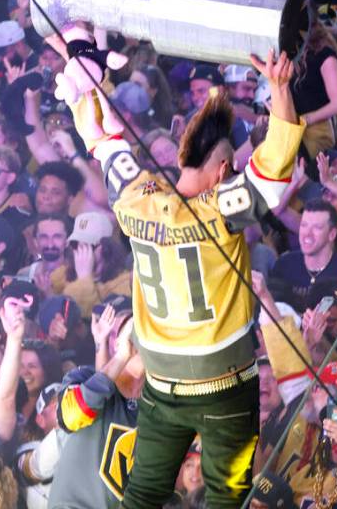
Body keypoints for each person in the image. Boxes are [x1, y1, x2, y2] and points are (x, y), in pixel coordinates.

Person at [63, 35, 302, 508]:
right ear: (223, 168)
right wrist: (278, 88)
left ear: (179, 159)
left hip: (163, 383)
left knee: (145, 494)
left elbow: (105, 143)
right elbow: (274, 175)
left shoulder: (136, 199)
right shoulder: (221, 209)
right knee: (226, 494)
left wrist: (90, 84)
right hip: (223, 384)